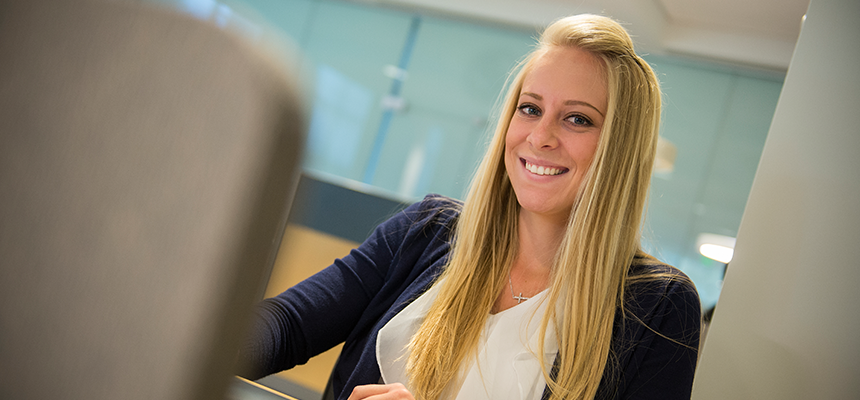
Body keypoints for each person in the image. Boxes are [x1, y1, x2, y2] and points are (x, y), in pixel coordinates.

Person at [238, 14, 701, 400]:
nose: (539, 137)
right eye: (530, 108)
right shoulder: (426, 232)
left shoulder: (658, 307)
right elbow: (288, 325)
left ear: (620, 148)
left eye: (578, 119)